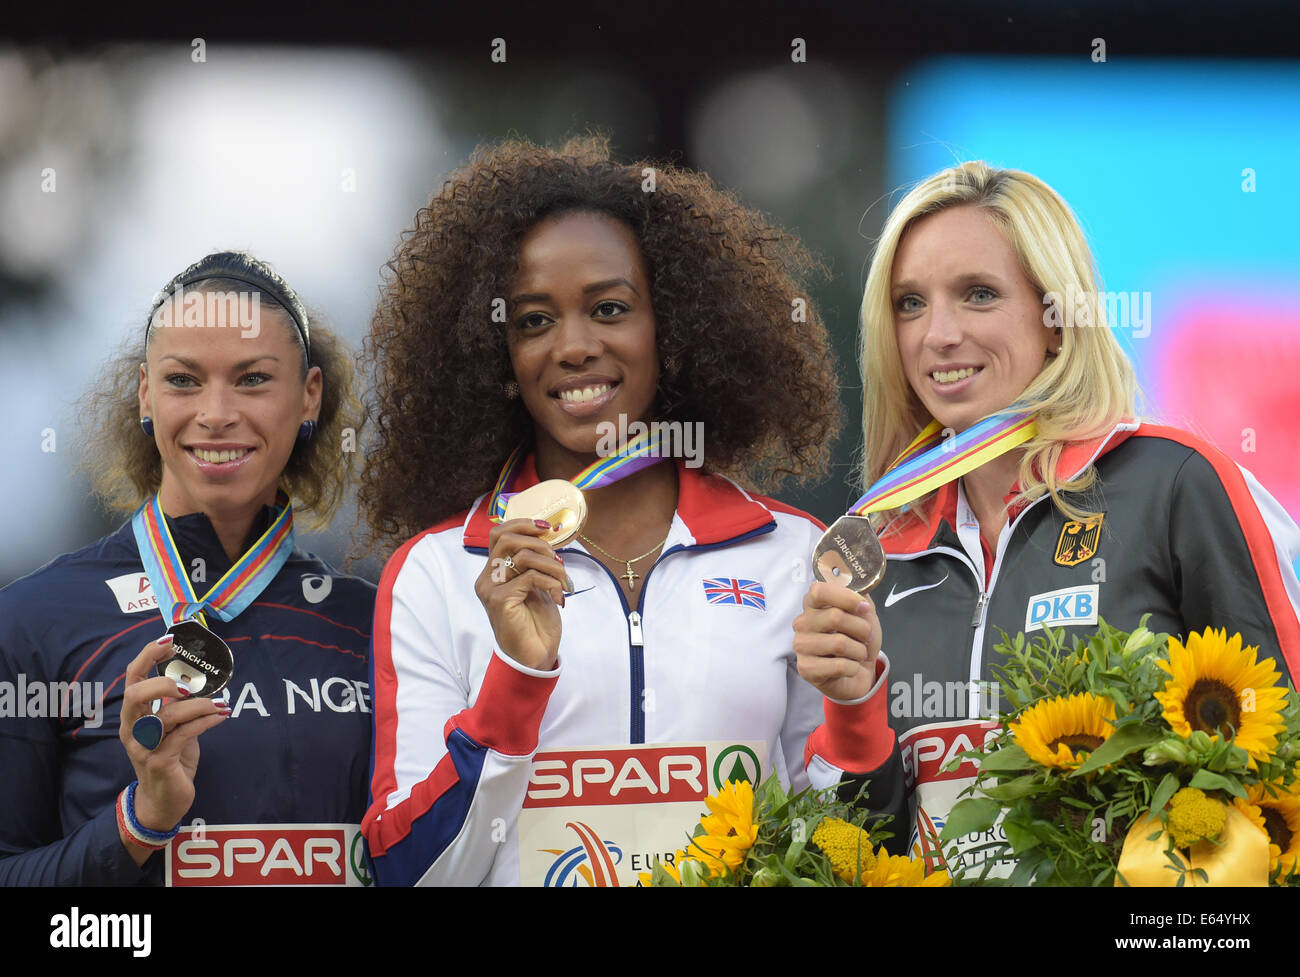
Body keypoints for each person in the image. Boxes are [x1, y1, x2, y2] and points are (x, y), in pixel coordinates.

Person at [359, 137, 904, 886]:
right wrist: (516, 675)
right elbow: (403, 873)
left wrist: (854, 707)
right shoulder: (436, 573)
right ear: (499, 359)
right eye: (533, 320)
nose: (575, 345)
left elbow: (847, 858)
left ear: (671, 331)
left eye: (610, 309)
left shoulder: (790, 555)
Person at [793, 160, 1300, 876]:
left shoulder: (1176, 484)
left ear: (1059, 320)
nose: (937, 334)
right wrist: (854, 705)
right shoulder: (876, 547)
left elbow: (1287, 762)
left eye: (978, 294)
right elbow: (859, 854)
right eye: (910, 303)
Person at [0, 252, 376, 885]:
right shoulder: (35, 620)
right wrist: (140, 821)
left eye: (253, 379)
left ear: (310, 396)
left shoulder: (371, 622)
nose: (216, 413)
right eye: (184, 380)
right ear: (147, 393)